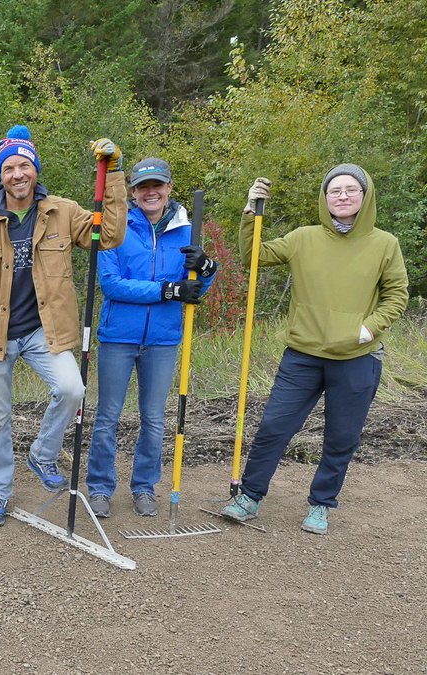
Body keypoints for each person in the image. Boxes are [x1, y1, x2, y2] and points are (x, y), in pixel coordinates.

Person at [0, 125, 127, 526]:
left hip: (42, 331)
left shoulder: (62, 212)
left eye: (24, 166)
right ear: (0, 175)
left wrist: (114, 173)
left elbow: (109, 236)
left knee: (72, 388)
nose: (17, 174)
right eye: (9, 168)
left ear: (35, 170)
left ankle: (43, 454)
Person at [220, 165, 408, 534]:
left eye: (351, 189)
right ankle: (250, 496)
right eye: (334, 190)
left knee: (341, 437)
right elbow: (253, 256)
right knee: (274, 427)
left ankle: (321, 504)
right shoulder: (303, 238)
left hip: (357, 358)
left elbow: (396, 295)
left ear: (365, 195)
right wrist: (250, 212)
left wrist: (368, 328)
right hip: (303, 355)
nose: (343, 196)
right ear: (324, 198)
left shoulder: (385, 244)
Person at [84, 158, 218, 519]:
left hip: (162, 339)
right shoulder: (117, 226)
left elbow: (194, 289)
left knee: (154, 419)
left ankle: (144, 487)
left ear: (169, 188)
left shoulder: (186, 231)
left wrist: (207, 269)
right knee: (107, 416)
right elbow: (112, 284)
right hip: (118, 337)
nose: (151, 192)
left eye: (157, 185)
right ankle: (100, 488)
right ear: (132, 192)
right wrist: (168, 291)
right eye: (143, 187)